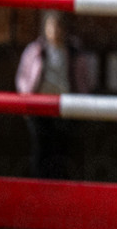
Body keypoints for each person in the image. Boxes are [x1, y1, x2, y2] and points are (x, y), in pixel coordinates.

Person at [15, 11, 93, 178]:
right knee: (40, 148)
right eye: (52, 26)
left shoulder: (74, 52)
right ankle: (38, 185)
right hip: (39, 106)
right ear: (45, 29)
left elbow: (84, 79)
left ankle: (59, 186)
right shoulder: (36, 50)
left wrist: (83, 101)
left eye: (59, 26)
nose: (55, 30)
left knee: (62, 149)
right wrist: (25, 99)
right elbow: (23, 76)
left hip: (66, 107)